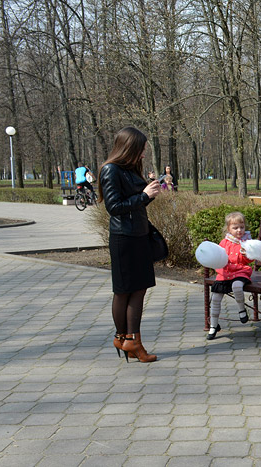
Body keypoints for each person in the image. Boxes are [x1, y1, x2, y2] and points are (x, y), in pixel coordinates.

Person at [98, 127, 163, 363]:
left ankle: (129, 339)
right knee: (125, 290)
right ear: (130, 147)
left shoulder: (129, 169)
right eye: (142, 149)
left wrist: (149, 195)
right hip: (124, 238)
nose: (144, 154)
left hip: (138, 235)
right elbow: (113, 207)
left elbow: (132, 204)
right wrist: (144, 196)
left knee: (139, 289)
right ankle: (127, 339)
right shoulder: (110, 170)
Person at [207, 211, 254, 340]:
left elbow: (250, 260)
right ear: (228, 229)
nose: (239, 230)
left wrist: (246, 255)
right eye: (235, 228)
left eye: (242, 227)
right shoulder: (224, 242)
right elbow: (218, 256)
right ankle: (213, 326)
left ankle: (241, 310)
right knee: (216, 298)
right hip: (224, 273)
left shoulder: (246, 241)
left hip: (240, 271)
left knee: (237, 286)